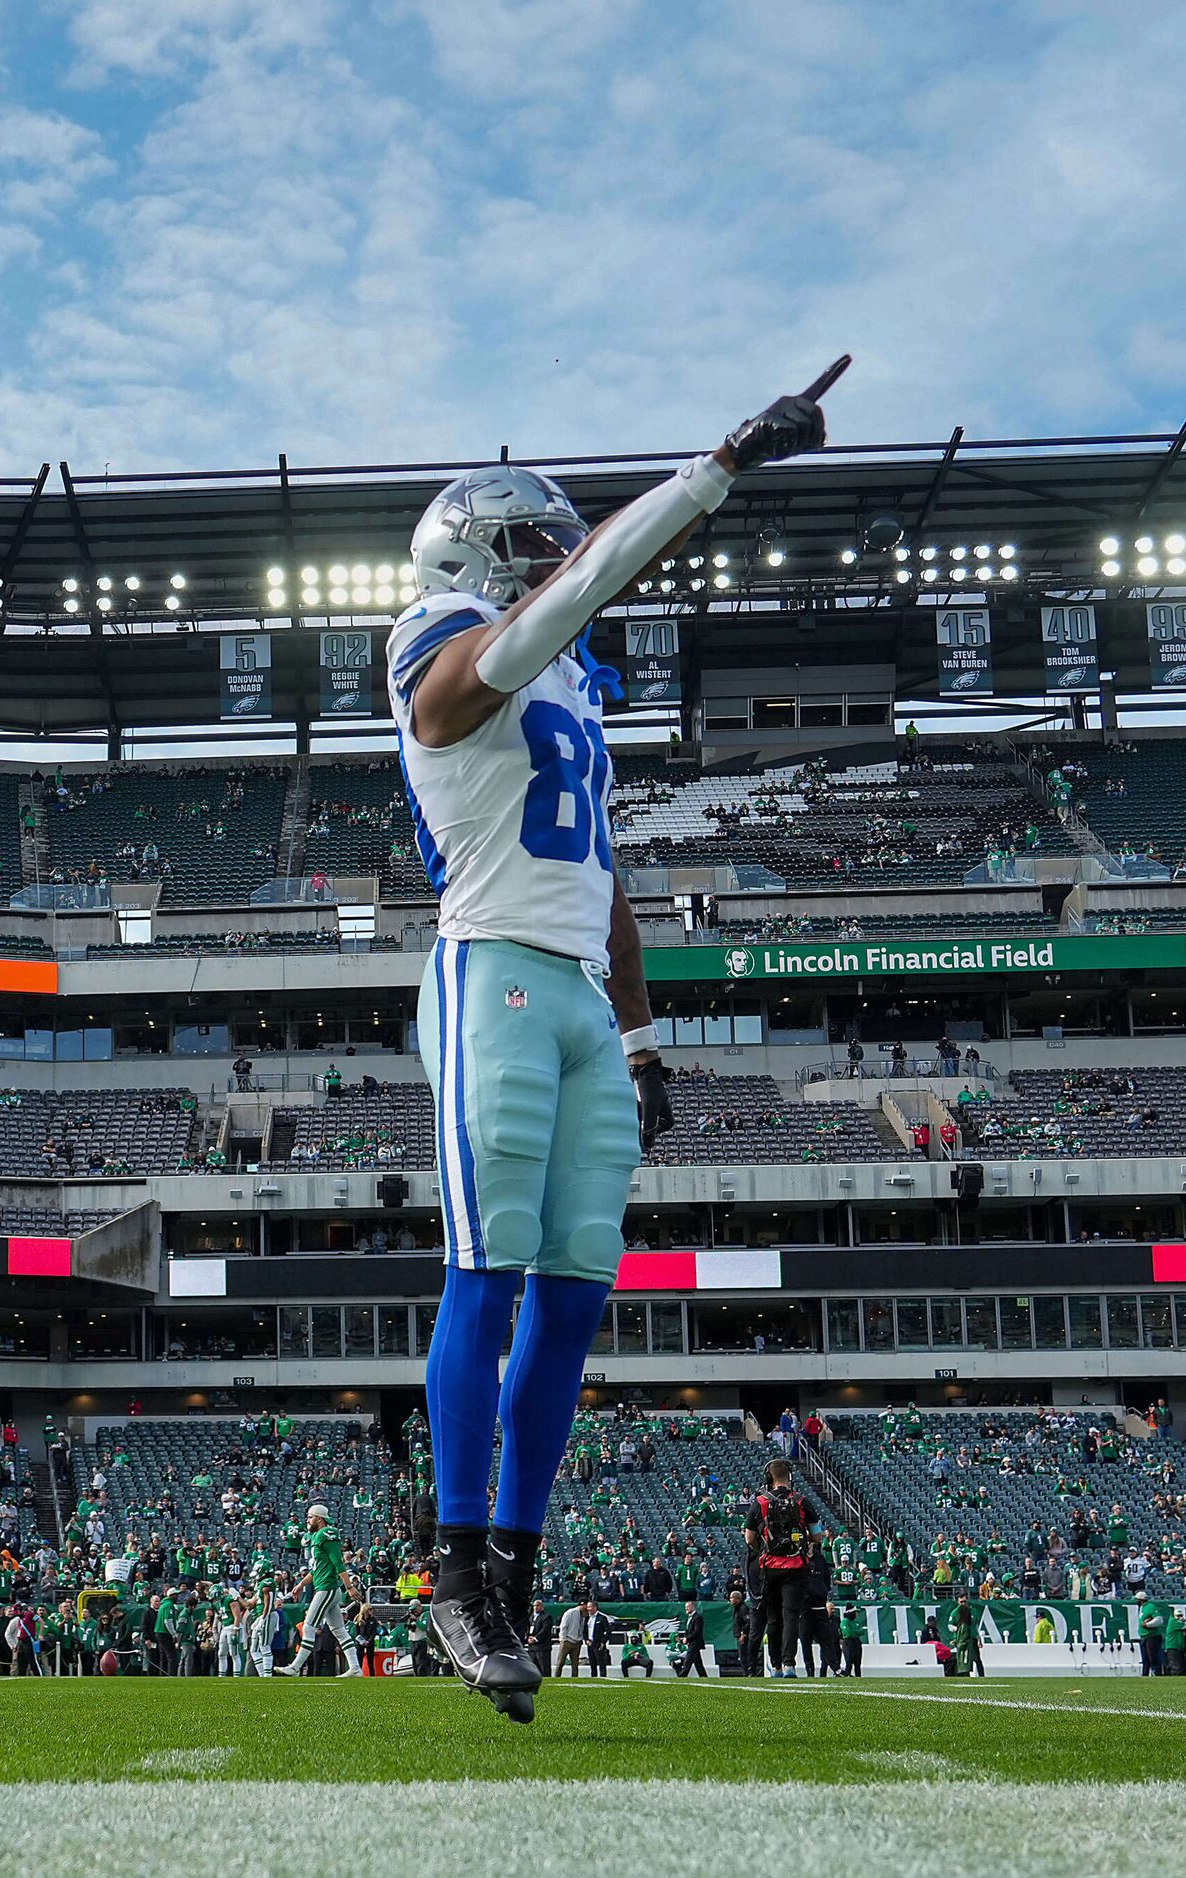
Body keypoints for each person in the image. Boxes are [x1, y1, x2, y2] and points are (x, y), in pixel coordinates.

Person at [394, 360, 842, 1724]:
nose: (549, 556)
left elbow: (607, 876)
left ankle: (519, 1567)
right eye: (527, 538)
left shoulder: (570, 694)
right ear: (472, 549)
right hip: (494, 973)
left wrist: (647, 1040)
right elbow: (565, 601)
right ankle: (455, 1563)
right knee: (487, 1266)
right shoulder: (436, 638)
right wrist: (712, 472)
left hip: (582, 989)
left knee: (577, 1296)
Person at [747, 1459, 821, 1678]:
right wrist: (804, 1543)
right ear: (789, 1476)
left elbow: (749, 1537)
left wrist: (763, 1547)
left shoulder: (760, 1502)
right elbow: (817, 1535)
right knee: (791, 1616)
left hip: (769, 1566)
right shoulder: (802, 1501)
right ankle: (790, 1664)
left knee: (773, 1618)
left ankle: (776, 1665)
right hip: (796, 1566)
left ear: (769, 1477)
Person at [275, 1504, 363, 1677]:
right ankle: (355, 1668)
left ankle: (295, 1667)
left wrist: (349, 1586)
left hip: (327, 1588)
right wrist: (301, 1585)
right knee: (339, 1630)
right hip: (325, 1587)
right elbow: (316, 1570)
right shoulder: (317, 1536)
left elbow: (338, 1562)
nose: (307, 1520)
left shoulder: (325, 1534)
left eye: (310, 1517)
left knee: (308, 1627)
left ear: (319, 1518)